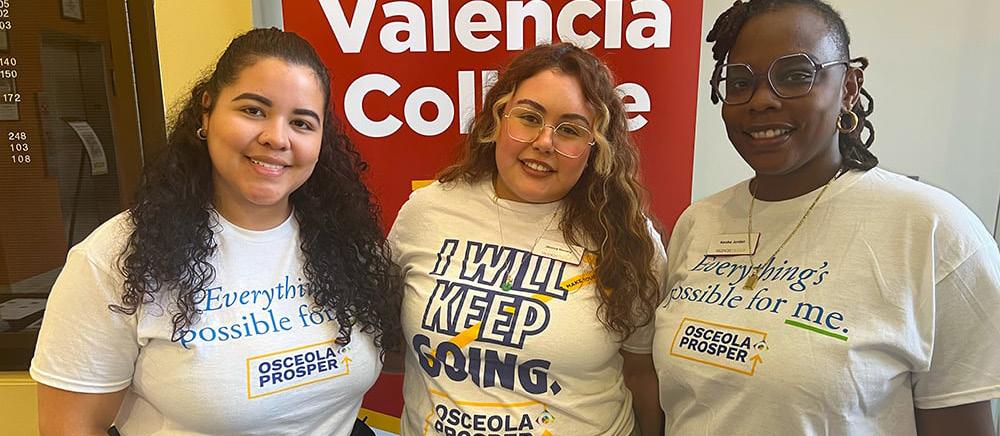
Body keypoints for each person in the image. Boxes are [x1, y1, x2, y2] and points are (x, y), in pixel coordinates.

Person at [30, 28, 401, 435]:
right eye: (253, 111)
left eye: (301, 122)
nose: (277, 138)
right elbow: (72, 426)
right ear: (206, 112)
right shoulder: (115, 258)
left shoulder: (348, 243)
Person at [652, 1, 1000, 434]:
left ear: (849, 87)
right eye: (740, 82)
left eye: (795, 76)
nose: (762, 100)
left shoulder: (933, 230)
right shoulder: (699, 222)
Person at [388, 43, 666, 435]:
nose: (544, 142)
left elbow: (640, 372)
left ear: (596, 147)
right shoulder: (426, 211)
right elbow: (385, 340)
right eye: (529, 117)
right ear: (498, 119)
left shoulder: (628, 238)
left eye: (570, 130)